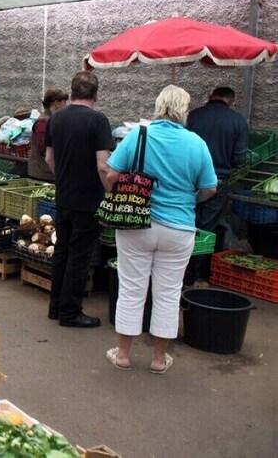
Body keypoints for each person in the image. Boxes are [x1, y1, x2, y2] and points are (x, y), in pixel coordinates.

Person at [104, 85, 217, 374]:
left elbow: (111, 173)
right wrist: (190, 199)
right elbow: (210, 188)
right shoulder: (196, 143)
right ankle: (157, 359)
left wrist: (118, 190)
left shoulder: (139, 135)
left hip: (137, 223)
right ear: (185, 110)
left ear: (158, 106)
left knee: (131, 289)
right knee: (168, 293)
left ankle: (123, 355)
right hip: (179, 228)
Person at [44, 71, 113, 328]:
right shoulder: (99, 121)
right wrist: (111, 192)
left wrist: (63, 178)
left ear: (72, 93)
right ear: (96, 95)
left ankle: (56, 307)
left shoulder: (56, 118)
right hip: (88, 200)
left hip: (64, 195)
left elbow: (49, 158)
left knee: (62, 250)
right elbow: (103, 165)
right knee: (79, 256)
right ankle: (71, 312)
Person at [185, 86, 249, 284]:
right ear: (231, 101)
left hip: (188, 181)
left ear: (210, 96)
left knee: (184, 225)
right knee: (205, 230)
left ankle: (178, 274)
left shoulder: (192, 116)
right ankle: (193, 277)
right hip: (217, 182)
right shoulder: (238, 121)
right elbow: (239, 159)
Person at [28, 88, 69, 181]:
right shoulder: (43, 122)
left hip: (48, 173)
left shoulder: (51, 120)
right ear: (56, 103)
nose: (66, 106)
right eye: (64, 102)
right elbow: (44, 149)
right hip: (43, 175)